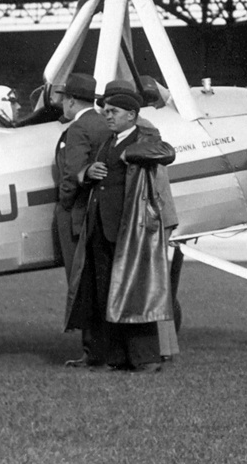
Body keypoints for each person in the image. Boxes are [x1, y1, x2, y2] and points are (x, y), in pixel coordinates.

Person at [64, 80, 178, 373]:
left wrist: (131, 154)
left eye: (114, 111)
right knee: (107, 293)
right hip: (102, 228)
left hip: (131, 232)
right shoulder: (107, 142)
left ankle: (146, 359)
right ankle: (118, 358)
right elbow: (90, 177)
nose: (107, 115)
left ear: (132, 114)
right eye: (106, 110)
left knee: (135, 293)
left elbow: (166, 152)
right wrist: (86, 172)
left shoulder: (141, 138)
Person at [52, 73, 113, 301]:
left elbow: (72, 174)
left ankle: (89, 334)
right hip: (101, 213)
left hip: (77, 215)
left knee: (79, 279)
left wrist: (65, 205)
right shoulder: (105, 123)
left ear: (70, 101)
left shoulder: (79, 128)